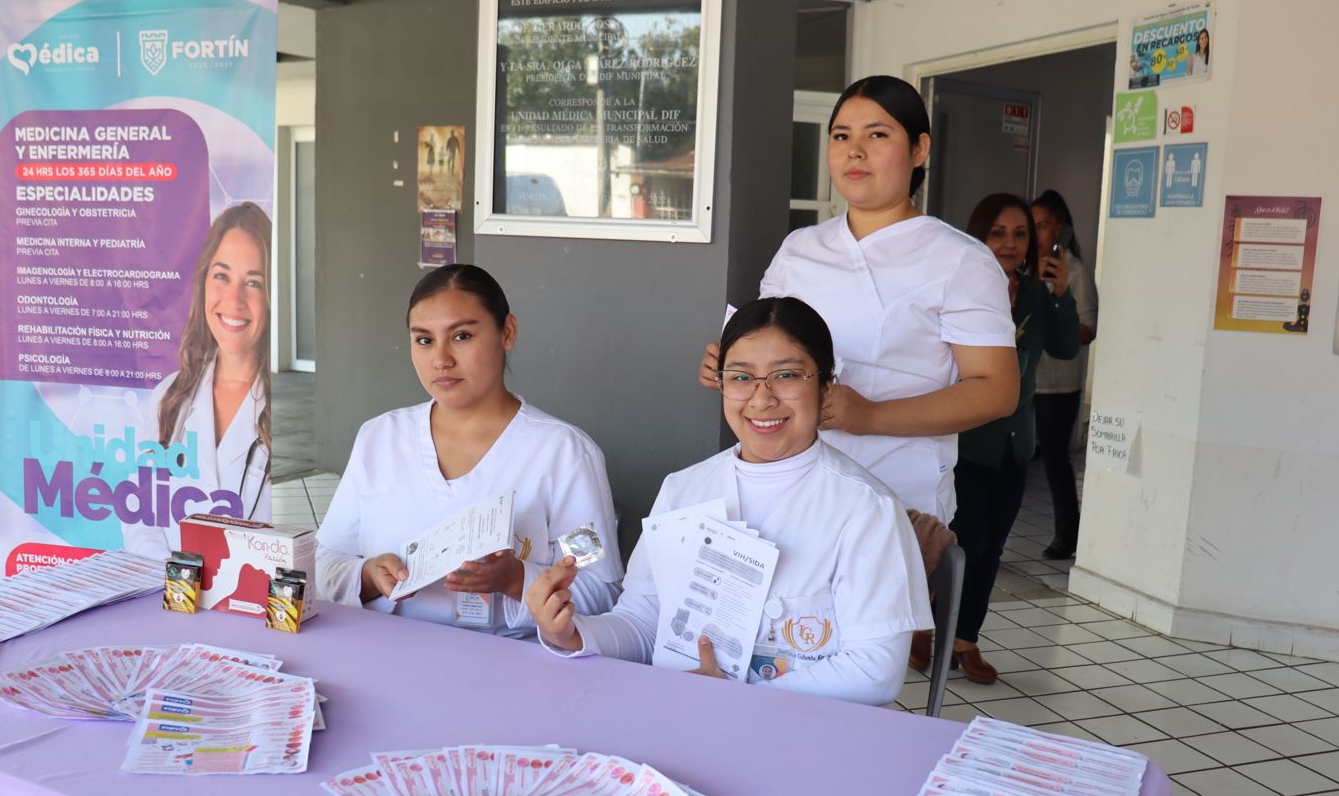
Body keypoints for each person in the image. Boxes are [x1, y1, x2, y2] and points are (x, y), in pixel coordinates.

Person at [532, 297, 932, 707]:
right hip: (684, 714)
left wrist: (736, 698)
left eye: (786, 375)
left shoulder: (867, 509)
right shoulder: (682, 490)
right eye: (741, 377)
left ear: (825, 387)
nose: (761, 399)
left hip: (808, 728)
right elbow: (643, 623)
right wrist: (573, 633)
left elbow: (875, 672)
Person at [697, 75, 1018, 523]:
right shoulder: (799, 248)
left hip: (897, 495)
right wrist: (731, 366)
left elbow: (997, 391)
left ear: (919, 149)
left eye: (877, 135)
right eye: (841, 136)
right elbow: (764, 344)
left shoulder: (960, 259)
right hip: (789, 485)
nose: (855, 151)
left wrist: (869, 416)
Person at [316, 263, 622, 637]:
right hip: (385, 648)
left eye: (461, 336)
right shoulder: (380, 437)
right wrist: (366, 576)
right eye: (424, 340)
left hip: (508, 663)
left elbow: (602, 591)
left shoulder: (563, 453)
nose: (441, 360)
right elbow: (326, 560)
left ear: (507, 332)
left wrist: (518, 580)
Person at [925, 194, 1079, 685]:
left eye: (1020, 234)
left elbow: (1065, 347)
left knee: (992, 547)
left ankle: (965, 640)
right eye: (998, 233)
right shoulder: (958, 288)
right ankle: (927, 628)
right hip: (965, 440)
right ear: (978, 236)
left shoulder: (1035, 293)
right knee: (964, 543)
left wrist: (1062, 295)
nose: (1010, 244)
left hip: (1015, 442)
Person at [125, 201, 272, 558]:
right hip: (169, 587)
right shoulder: (170, 396)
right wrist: (174, 580)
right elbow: (142, 513)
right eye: (222, 276)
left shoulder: (280, 410)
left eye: (253, 282)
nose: (234, 299)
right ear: (204, 282)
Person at [1030, 189, 1099, 560]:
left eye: (1043, 226)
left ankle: (1066, 534)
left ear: (1060, 229)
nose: (1036, 233)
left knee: (1055, 459)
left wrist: (1057, 320)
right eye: (1032, 226)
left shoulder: (1074, 271)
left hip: (1058, 385)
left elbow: (1088, 329)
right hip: (1026, 379)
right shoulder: (1025, 268)